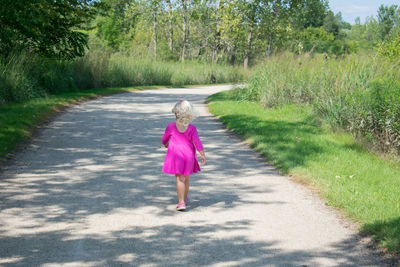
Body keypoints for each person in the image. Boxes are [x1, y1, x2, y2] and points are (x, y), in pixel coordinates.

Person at [162, 100, 206, 211]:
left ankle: (181, 202)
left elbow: (164, 139)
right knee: (186, 178)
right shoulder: (192, 128)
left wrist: (166, 144)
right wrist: (202, 154)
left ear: (176, 113)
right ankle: (184, 198)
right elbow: (197, 142)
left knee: (179, 178)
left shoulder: (171, 126)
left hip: (176, 155)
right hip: (189, 156)